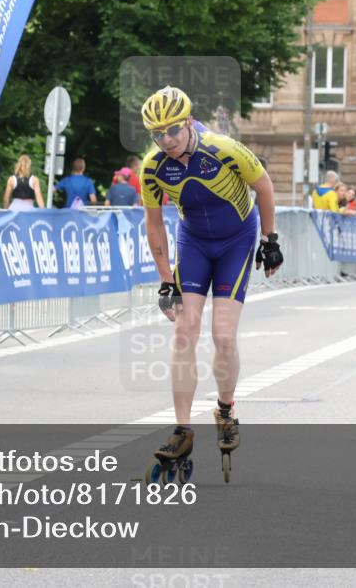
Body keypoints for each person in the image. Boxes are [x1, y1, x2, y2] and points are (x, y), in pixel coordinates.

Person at [139, 85, 282, 480]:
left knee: (222, 334)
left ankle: (225, 407)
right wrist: (167, 281)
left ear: (187, 122)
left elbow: (264, 186)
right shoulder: (153, 168)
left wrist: (270, 241)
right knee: (184, 330)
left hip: (237, 240)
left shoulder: (223, 149)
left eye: (172, 130)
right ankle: (183, 430)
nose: (166, 140)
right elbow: (154, 226)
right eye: (157, 134)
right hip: (195, 243)